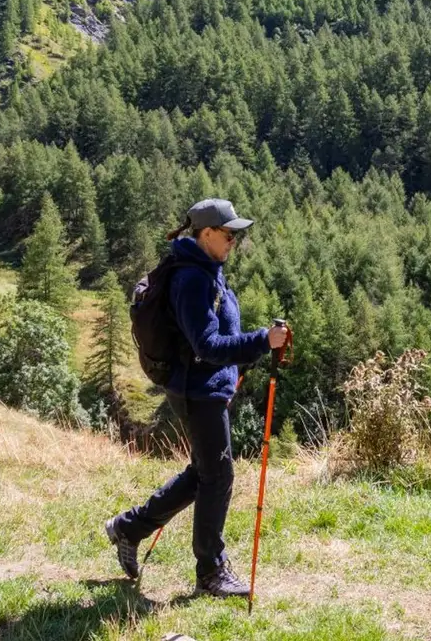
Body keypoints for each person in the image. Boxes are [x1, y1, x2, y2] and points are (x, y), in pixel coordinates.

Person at [104, 198, 292, 597]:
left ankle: (128, 528)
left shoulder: (208, 270)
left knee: (203, 474)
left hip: (206, 388)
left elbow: (212, 345)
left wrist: (233, 375)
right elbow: (206, 345)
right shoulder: (193, 279)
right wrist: (262, 340)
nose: (234, 242)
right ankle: (211, 570)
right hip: (196, 392)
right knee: (218, 476)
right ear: (206, 234)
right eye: (229, 235)